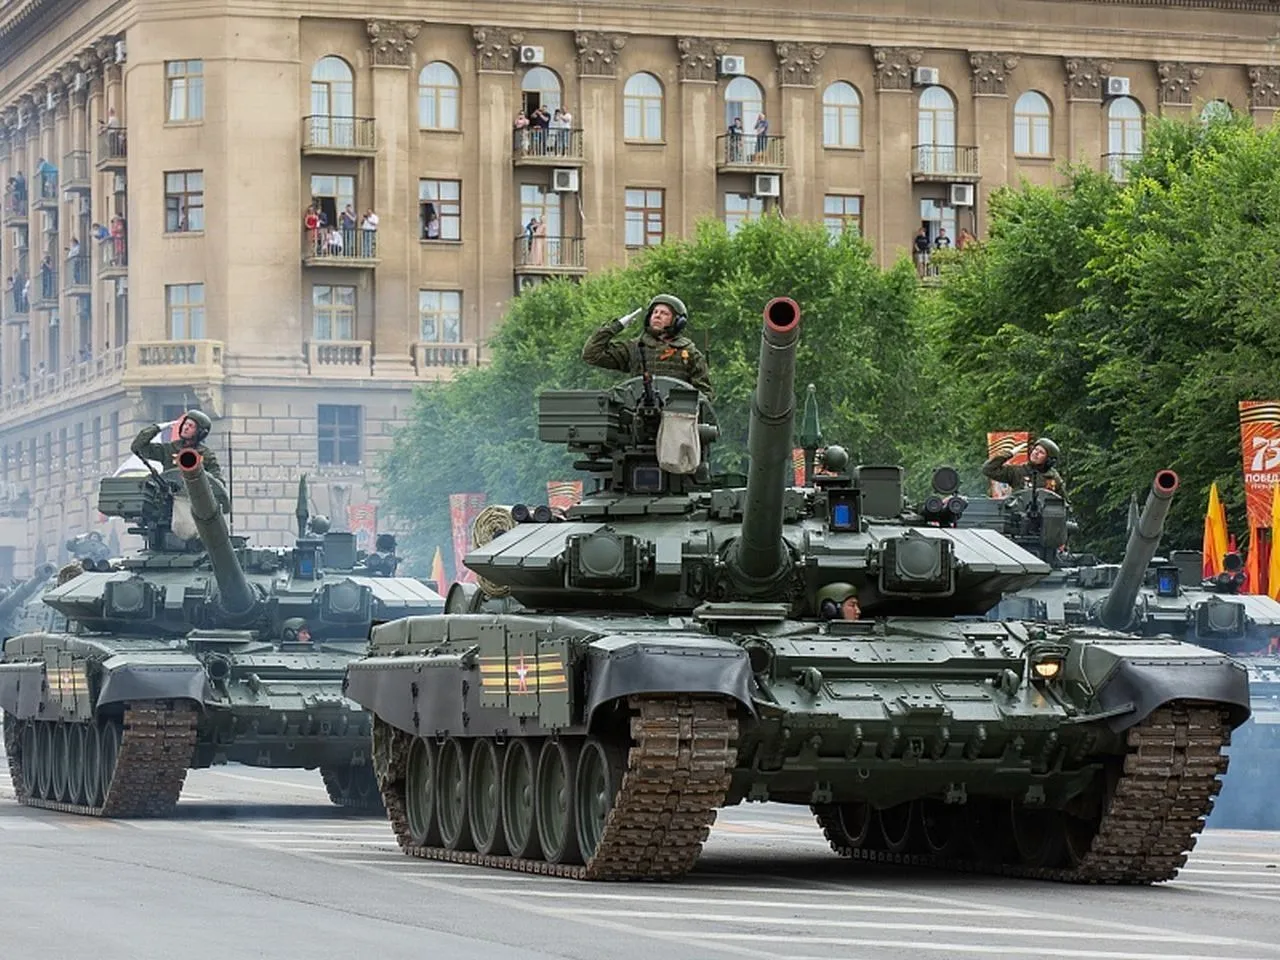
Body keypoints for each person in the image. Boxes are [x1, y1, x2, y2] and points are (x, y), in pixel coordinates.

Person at [582, 294, 712, 397]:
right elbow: (592, 354)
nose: (657, 316)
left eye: (664, 313)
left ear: (678, 321)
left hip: (676, 418)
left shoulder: (689, 352)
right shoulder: (635, 347)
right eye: (655, 312)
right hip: (638, 415)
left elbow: (704, 394)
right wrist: (616, 326)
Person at [132, 410, 224, 480]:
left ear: (200, 432)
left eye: (191, 426)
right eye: (185, 424)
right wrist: (157, 428)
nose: (186, 428)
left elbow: (218, 482)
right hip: (169, 497)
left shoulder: (206, 454)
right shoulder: (170, 449)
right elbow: (138, 447)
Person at [982, 436, 1066, 497]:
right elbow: (988, 469)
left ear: (1048, 460)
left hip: (1046, 519)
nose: (1036, 453)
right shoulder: (1018, 472)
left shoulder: (1054, 478)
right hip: (1019, 517)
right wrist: (1009, 454)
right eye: (1036, 449)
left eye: (1041, 452)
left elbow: (1065, 504)